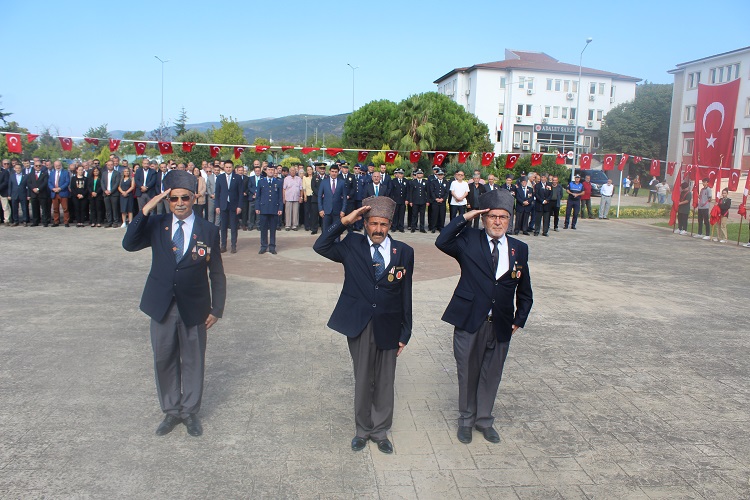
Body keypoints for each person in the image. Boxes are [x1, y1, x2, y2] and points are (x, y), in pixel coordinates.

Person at [122, 170, 226, 438]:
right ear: (167, 201)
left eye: (185, 198)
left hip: (195, 306)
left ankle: (190, 411)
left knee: (193, 360)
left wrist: (217, 309)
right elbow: (129, 244)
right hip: (162, 305)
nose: (179, 203)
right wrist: (144, 210)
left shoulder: (209, 230)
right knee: (164, 358)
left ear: (194, 198)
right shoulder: (156, 224)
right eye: (174, 199)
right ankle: (171, 410)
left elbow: (216, 272)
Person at [313, 196, 413, 454]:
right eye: (373, 223)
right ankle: (362, 430)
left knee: (385, 380)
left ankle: (380, 431)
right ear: (365, 224)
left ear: (390, 224)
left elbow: (406, 294)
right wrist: (345, 222)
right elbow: (321, 246)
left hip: (390, 323)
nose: (378, 229)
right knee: (363, 378)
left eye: (383, 224)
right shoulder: (352, 245)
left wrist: (406, 331)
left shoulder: (403, 252)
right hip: (359, 322)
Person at [435, 189, 533, 444]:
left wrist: (519, 319)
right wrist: (465, 217)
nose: (498, 221)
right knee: (467, 372)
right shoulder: (468, 239)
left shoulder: (519, 249)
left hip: (500, 323)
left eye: (503, 217)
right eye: (492, 216)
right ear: (483, 218)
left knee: (492, 374)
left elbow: (525, 289)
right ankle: (466, 421)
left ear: (509, 220)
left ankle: (484, 420)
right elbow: (442, 241)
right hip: (469, 320)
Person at [214, 160, 243, 253]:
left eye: (230, 167)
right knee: (223, 227)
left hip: (234, 206)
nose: (228, 169)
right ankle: (223, 245)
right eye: (226, 167)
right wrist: (217, 206)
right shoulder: (220, 178)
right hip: (223, 205)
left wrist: (239, 206)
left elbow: (240, 194)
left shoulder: (237, 178)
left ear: (233, 168)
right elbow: (217, 193)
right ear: (224, 168)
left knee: (234, 227)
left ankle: (233, 246)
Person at [256, 164, 283, 254]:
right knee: (263, 228)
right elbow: (258, 196)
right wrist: (257, 207)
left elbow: (280, 197)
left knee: (273, 229)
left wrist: (280, 208)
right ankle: (263, 246)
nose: (271, 171)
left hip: (274, 208)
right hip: (263, 208)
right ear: (266, 171)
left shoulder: (278, 182)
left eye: (272, 169)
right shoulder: (261, 182)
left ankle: (272, 247)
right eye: (269, 169)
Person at [318, 164, 347, 233]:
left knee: (336, 231)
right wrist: (320, 209)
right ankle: (326, 244)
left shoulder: (342, 182)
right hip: (326, 211)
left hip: (337, 212)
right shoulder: (324, 182)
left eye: (335, 172)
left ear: (338, 172)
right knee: (325, 232)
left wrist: (343, 210)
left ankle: (337, 244)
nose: (334, 173)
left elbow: (345, 198)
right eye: (332, 171)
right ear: (329, 172)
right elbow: (319, 196)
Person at [48, 160, 71, 227]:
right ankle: (56, 221)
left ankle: (66, 222)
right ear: (54, 166)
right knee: (55, 208)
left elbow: (67, 182)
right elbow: (49, 182)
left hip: (63, 192)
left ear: (61, 165)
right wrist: (53, 188)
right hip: (54, 193)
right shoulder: (52, 173)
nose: (58, 167)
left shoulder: (65, 172)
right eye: (56, 166)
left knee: (65, 208)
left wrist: (60, 188)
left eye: (59, 165)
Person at [27, 160, 50, 227]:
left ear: (41, 166)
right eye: (36, 166)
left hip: (42, 193)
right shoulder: (30, 174)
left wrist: (38, 189)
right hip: (33, 194)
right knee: (35, 208)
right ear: (34, 166)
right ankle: (35, 221)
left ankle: (45, 221)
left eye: (39, 165)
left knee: (44, 209)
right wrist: (33, 189)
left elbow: (45, 183)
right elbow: (29, 183)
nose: (38, 167)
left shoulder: (45, 173)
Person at [282, 165, 303, 230]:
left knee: (296, 212)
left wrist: (301, 197)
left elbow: (301, 189)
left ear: (296, 171)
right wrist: (284, 198)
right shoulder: (286, 179)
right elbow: (284, 189)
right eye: (291, 170)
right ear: (289, 172)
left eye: (294, 170)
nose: (292, 172)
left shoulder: (299, 179)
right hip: (288, 198)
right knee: (288, 212)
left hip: (296, 198)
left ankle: (295, 225)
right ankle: (288, 225)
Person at [388, 168, 408, 232]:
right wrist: (392, 199)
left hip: (403, 200)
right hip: (396, 200)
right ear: (397, 174)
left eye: (402, 174)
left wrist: (407, 199)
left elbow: (408, 191)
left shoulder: (406, 181)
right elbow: (391, 191)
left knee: (402, 214)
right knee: (395, 214)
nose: (400, 175)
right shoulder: (393, 181)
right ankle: (394, 226)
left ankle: (401, 227)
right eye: (399, 173)